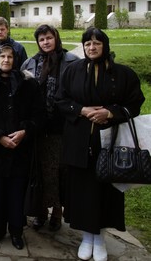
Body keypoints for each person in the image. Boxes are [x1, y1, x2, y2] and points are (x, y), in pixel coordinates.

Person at [55, 27, 145, 261]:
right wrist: (82, 110)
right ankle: (87, 238)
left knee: (105, 191)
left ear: (105, 45)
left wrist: (110, 113)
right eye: (87, 44)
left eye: (96, 43)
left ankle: (100, 238)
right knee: (83, 191)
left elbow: (135, 103)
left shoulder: (123, 74)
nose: (92, 47)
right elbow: (60, 100)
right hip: (79, 141)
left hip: (109, 142)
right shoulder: (72, 71)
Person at [0, 44, 44, 250]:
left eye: (10, 57)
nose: (6, 60)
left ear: (16, 59)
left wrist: (24, 132)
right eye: (2, 56)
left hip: (20, 149)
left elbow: (38, 114)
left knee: (16, 193)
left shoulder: (29, 84)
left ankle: (16, 231)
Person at [21, 24, 78, 231]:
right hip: (37, 127)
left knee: (57, 171)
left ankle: (57, 211)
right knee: (39, 171)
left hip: (60, 127)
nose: (45, 42)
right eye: (42, 39)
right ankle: (40, 211)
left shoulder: (70, 61)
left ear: (56, 38)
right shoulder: (31, 62)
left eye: (49, 38)